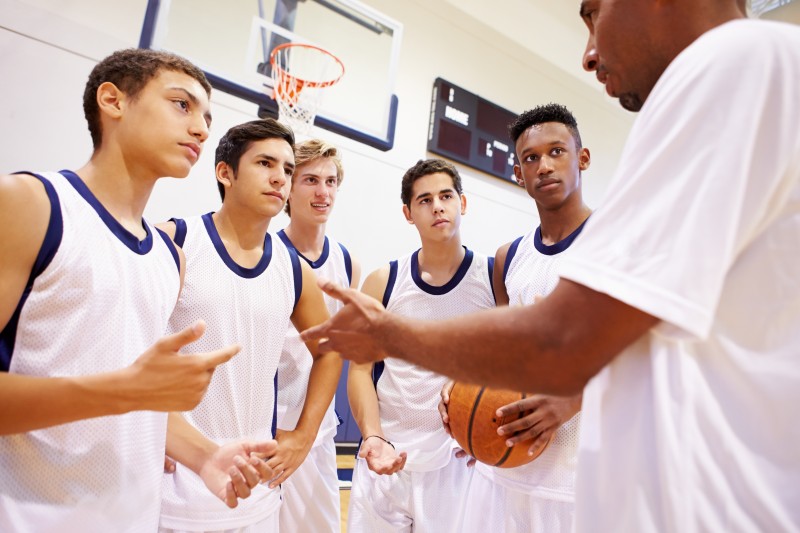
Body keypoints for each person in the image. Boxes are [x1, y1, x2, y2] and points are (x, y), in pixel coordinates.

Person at [302, 1, 800, 531]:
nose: (588, 53)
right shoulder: (508, 258)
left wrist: (390, 335)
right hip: (518, 480)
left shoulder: (735, 63)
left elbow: (562, 341)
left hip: (699, 503)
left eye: (592, 13)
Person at [0, 48, 274, 532]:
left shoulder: (170, 257)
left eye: (207, 117)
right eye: (181, 105)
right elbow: (122, 393)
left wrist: (205, 455)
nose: (202, 130)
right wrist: (121, 392)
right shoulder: (31, 204)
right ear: (113, 100)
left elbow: (138, 402)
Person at [157, 119, 343, 533]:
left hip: (257, 491)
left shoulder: (293, 268)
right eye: (265, 163)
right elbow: (127, 345)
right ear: (225, 172)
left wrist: (304, 434)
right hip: (174, 486)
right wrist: (150, 430)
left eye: (288, 169)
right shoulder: (175, 240)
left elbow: (331, 348)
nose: (280, 177)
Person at [445, 103, 588, 532]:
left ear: (582, 158)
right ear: (518, 173)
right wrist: (462, 399)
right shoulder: (509, 257)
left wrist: (571, 401)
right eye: (531, 158)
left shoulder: (617, 242)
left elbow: (643, 351)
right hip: (505, 466)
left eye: (557, 152)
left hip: (577, 470)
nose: (544, 165)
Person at [346, 158, 494, 532]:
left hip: (458, 462)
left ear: (463, 202)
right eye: (424, 200)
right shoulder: (385, 280)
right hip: (386, 457)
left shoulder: (494, 279)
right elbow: (361, 369)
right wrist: (373, 436)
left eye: (446, 195)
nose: (438, 206)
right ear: (408, 213)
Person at [275, 139, 360, 533]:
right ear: (289, 187)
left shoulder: (346, 262)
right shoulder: (266, 251)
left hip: (317, 430)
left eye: (330, 181)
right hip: (265, 426)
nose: (323, 192)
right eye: (310, 180)